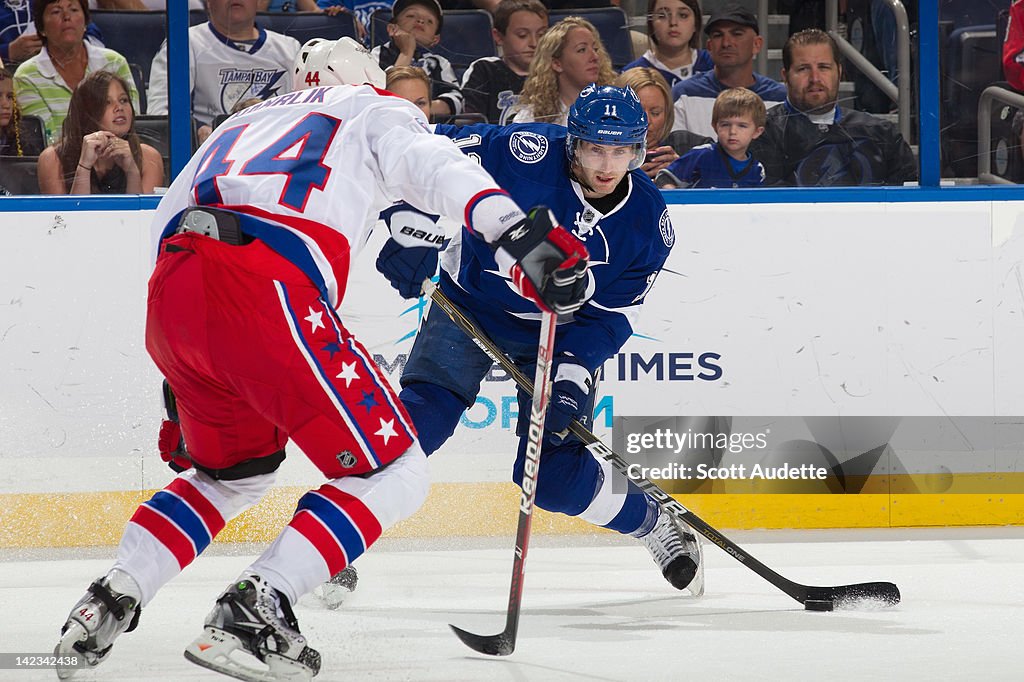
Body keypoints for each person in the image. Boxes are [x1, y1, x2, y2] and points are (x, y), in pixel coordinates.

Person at [53, 36, 587, 682]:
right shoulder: (371, 108)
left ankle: (111, 596)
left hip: (175, 298)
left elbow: (165, 222)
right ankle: (257, 605)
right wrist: (517, 234)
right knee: (397, 470)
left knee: (232, 475)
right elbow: (433, 165)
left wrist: (182, 370)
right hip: (267, 286)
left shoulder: (245, 123)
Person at [375, 84, 705, 599]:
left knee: (552, 478)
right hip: (472, 305)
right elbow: (419, 152)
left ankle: (650, 521)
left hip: (564, 330)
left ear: (639, 151)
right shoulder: (521, 153)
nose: (607, 165)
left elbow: (610, 315)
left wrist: (573, 374)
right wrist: (407, 220)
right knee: (413, 429)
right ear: (572, 142)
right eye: (596, 148)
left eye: (622, 151)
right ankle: (339, 538)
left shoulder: (647, 223)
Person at [750, 29, 917, 186]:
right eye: (803, 69)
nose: (815, 78)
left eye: (823, 67)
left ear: (839, 71)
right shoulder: (759, 133)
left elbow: (909, 203)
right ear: (785, 77)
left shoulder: (882, 134)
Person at [148, 0, 300, 144]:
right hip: (209, 153)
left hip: (279, 146)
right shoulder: (184, 43)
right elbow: (160, 112)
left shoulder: (289, 48)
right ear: (208, 2)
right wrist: (196, 131)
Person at [12, 0, 138, 145]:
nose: (67, 16)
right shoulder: (27, 76)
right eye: (56, 11)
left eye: (73, 10)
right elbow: (46, 139)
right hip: (62, 162)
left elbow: (131, 122)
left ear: (85, 23)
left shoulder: (114, 63)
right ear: (41, 29)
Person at [670, 3, 785, 139]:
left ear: (757, 44)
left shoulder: (780, 98)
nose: (726, 43)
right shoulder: (683, 95)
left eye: (737, 34)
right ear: (709, 47)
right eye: (718, 35)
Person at [37, 70, 163, 193]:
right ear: (86, 113)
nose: (119, 108)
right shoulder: (52, 159)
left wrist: (132, 171)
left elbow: (142, 213)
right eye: (107, 102)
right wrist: (84, 166)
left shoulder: (149, 157)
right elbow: (66, 214)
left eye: (123, 100)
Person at [511, 16, 617, 126]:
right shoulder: (530, 119)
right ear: (557, 64)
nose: (595, 57)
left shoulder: (616, 109)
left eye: (595, 49)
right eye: (582, 50)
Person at [656, 87, 765, 188]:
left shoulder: (758, 169)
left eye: (742, 126)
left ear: (757, 132)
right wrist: (677, 200)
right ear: (715, 126)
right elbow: (664, 178)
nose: (732, 132)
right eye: (725, 124)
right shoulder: (701, 155)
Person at [370, 0, 463, 118]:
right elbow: (378, 97)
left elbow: (455, 100)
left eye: (429, 21)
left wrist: (417, 109)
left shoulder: (439, 63)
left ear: (435, 39)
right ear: (392, 28)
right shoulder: (378, 54)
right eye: (411, 16)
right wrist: (406, 53)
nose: (420, 21)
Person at [460, 0, 547, 124]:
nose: (534, 43)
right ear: (499, 37)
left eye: (541, 34)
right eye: (522, 35)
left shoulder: (557, 71)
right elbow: (471, 125)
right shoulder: (485, 70)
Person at [623, 0, 711, 88]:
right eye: (662, 16)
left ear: (696, 23)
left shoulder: (714, 64)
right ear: (651, 23)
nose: (673, 22)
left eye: (683, 15)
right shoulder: (631, 75)